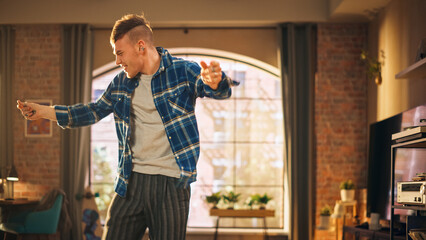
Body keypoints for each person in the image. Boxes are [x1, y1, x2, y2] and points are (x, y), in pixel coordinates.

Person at [17, 13, 238, 240]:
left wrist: (216, 81)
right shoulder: (121, 83)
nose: (117, 61)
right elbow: (93, 111)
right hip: (130, 182)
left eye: (120, 53)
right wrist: (43, 112)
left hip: (171, 185)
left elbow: (213, 88)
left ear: (140, 46)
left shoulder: (182, 71)